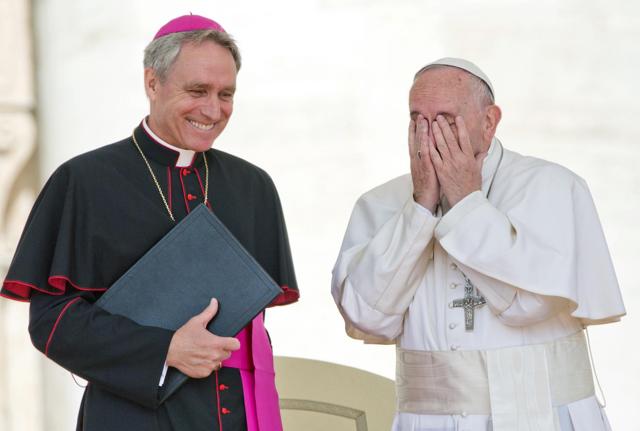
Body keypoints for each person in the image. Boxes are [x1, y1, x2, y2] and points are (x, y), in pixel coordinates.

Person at [1, 14, 298, 431]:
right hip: (130, 416)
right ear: (152, 83)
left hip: (234, 414)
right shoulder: (84, 181)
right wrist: (165, 350)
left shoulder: (254, 187)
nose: (213, 110)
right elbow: (50, 322)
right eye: (197, 90)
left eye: (225, 94)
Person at [331, 57, 625, 431]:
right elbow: (367, 317)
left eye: (445, 119)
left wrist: (466, 204)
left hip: (545, 417)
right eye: (417, 119)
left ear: (489, 122)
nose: (430, 133)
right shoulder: (380, 203)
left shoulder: (555, 187)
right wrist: (419, 210)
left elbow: (531, 302)